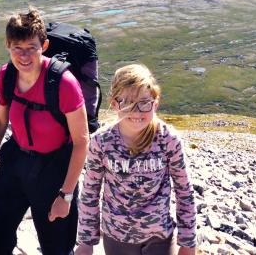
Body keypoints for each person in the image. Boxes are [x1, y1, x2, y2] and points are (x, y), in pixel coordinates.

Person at [0, 8, 90, 255]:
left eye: (31, 46)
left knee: (57, 249)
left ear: (45, 44)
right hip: (16, 162)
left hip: (54, 170)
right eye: (17, 47)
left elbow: (82, 141)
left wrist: (67, 195)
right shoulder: (6, 75)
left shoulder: (63, 83)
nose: (24, 55)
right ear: (7, 46)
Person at [75, 64, 197, 255]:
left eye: (144, 102)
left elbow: (184, 190)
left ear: (155, 103)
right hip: (116, 237)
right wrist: (86, 241)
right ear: (114, 104)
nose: (137, 111)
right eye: (127, 102)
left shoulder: (168, 139)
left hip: (160, 237)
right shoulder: (101, 141)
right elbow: (90, 192)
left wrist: (188, 242)